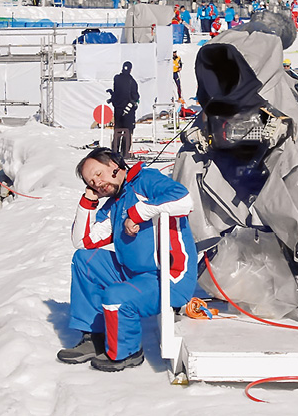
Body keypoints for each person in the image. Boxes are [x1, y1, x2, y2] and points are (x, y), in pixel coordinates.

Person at [57, 147, 197, 372]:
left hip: (168, 277)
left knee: (116, 296)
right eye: (91, 182)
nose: (97, 183)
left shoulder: (147, 180)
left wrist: (137, 213)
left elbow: (183, 200)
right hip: (132, 273)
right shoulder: (114, 203)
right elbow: (83, 241)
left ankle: (128, 351)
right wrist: (88, 201)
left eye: (98, 174)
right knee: (84, 259)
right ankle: (94, 336)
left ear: (114, 164)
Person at [107, 62, 139, 158]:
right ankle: (125, 153)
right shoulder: (132, 81)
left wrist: (112, 96)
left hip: (118, 110)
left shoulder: (117, 79)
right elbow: (135, 96)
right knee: (127, 131)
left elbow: (117, 93)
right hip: (128, 111)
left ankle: (115, 152)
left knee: (118, 131)